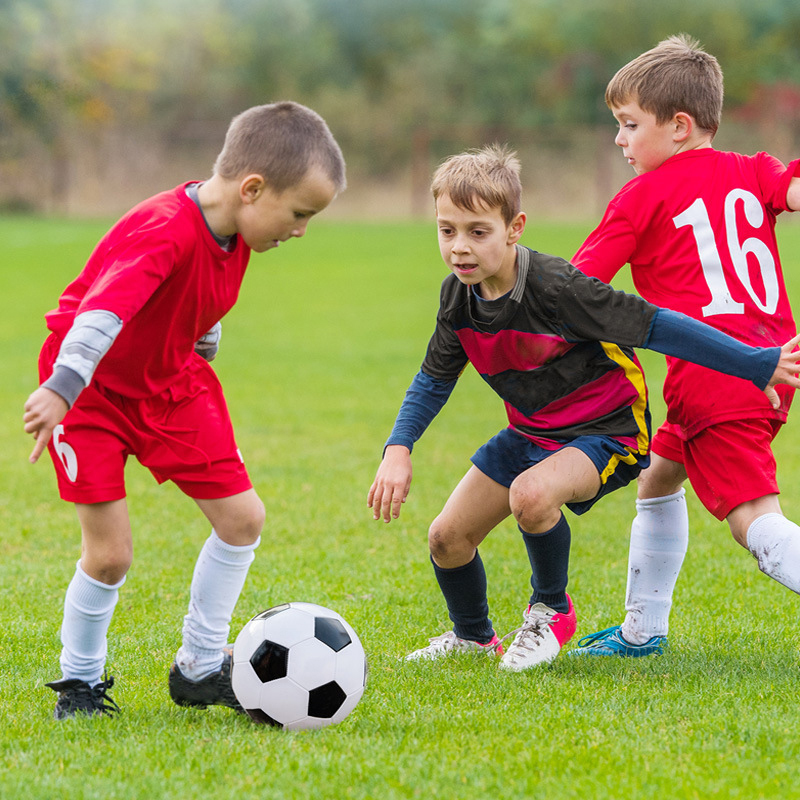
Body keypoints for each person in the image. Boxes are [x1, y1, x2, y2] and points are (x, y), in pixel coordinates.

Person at [367, 143, 800, 672]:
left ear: (514, 228)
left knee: (532, 495)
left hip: (607, 430)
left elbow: (659, 326)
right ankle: (472, 637)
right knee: (446, 538)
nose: (460, 247)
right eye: (447, 230)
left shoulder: (558, 289)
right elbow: (434, 378)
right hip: (532, 432)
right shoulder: (458, 297)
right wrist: (398, 448)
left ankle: (551, 611)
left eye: (478, 232)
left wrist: (755, 363)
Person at [23, 101, 346, 718]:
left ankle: (199, 667)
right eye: (300, 213)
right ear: (253, 189)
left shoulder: (235, 230)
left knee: (242, 519)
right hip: (89, 390)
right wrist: (62, 387)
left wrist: (202, 335)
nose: (301, 229)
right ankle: (79, 683)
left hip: (170, 383)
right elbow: (102, 314)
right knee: (109, 555)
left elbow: (196, 292)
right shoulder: (163, 228)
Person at [569, 34, 800, 657]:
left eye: (629, 124)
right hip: (774, 365)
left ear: (678, 126)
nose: (619, 139)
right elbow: (794, 190)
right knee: (658, 475)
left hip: (712, 377)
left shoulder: (641, 197)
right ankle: (642, 631)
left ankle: (642, 632)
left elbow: (578, 290)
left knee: (755, 522)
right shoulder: (753, 168)